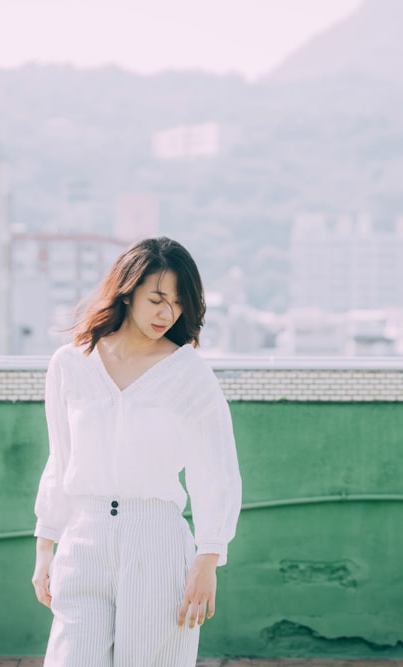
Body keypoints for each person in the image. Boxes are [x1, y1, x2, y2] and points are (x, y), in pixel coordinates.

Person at [30, 236, 242, 667]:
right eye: (157, 299)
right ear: (127, 292)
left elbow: (215, 469)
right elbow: (61, 459)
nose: (168, 314)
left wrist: (208, 558)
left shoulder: (188, 373)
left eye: (179, 304)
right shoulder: (70, 364)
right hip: (84, 537)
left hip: (157, 538)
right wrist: (44, 545)